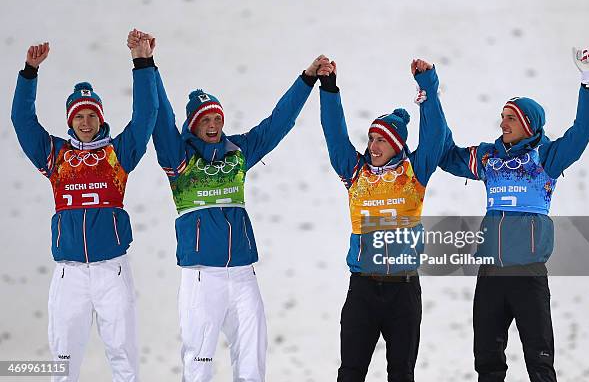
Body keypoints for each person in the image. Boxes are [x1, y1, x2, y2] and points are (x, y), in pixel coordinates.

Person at [127, 29, 325, 382]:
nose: (214, 125)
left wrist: (307, 80)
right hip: (202, 278)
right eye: (206, 119)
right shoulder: (179, 158)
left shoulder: (238, 153)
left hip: (244, 276)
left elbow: (277, 123)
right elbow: (160, 117)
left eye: (217, 118)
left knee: (252, 360)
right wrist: (145, 63)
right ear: (193, 125)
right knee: (199, 363)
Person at [438, 48, 589, 381]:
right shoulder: (488, 158)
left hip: (528, 277)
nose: (502, 123)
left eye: (510, 117)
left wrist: (588, 79)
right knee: (487, 364)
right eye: (502, 116)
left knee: (540, 365)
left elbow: (585, 129)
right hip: (490, 277)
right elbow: (445, 155)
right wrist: (430, 96)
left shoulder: (548, 157)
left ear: (528, 124)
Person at [11, 37, 158, 381]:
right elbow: (22, 120)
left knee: (123, 355)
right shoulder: (56, 157)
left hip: (112, 271)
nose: (86, 122)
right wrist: (29, 73)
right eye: (79, 115)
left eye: (92, 114)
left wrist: (142, 63)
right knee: (62, 359)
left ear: (101, 117)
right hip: (69, 274)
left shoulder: (118, 154)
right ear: (70, 120)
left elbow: (146, 115)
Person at [319, 59, 447, 382]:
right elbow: (335, 137)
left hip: (403, 291)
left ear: (397, 145)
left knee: (401, 374)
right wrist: (329, 89)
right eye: (371, 139)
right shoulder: (355, 172)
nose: (372, 146)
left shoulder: (414, 172)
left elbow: (435, 136)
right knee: (350, 373)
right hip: (362, 287)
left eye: (381, 140)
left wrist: (427, 85)